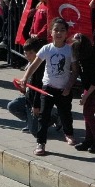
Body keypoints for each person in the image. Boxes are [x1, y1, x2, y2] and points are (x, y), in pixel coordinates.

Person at [26, 17, 77, 155]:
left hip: (63, 89)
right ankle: (40, 143)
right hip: (48, 87)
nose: (59, 33)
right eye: (56, 30)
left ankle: (69, 133)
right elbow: (34, 65)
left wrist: (69, 86)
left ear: (67, 33)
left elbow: (74, 70)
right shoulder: (46, 49)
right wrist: (25, 78)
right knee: (43, 116)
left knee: (65, 114)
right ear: (51, 32)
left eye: (62, 30)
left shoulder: (69, 50)